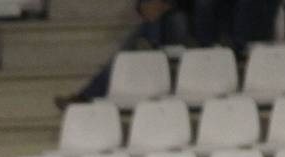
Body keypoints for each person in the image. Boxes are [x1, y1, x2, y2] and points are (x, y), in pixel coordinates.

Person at [55, 0, 191, 109]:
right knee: (127, 49)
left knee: (170, 19)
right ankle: (151, 46)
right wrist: (145, 6)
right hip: (156, 21)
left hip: (181, 22)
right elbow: (141, 6)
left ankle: (151, 46)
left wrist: (167, 5)